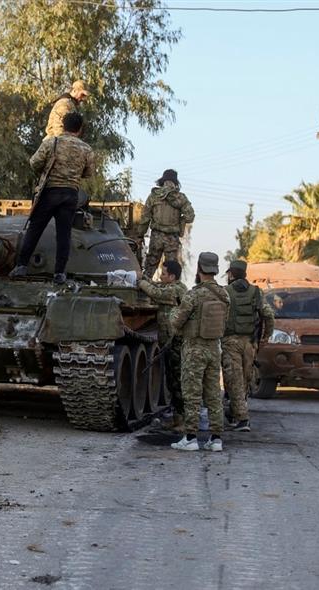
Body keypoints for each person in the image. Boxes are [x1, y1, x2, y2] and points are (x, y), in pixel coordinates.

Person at [9, 112, 95, 284]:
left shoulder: (52, 142)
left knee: (35, 229)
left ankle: (21, 266)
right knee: (64, 234)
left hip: (49, 191)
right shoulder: (86, 149)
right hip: (71, 194)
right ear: (79, 129)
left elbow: (34, 163)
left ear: (63, 125)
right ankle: (59, 273)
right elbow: (89, 173)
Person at [169, 252, 230, 452]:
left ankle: (191, 437)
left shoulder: (194, 294)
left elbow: (176, 321)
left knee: (192, 394)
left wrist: (172, 313)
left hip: (194, 349)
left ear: (199, 268)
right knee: (213, 394)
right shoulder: (224, 295)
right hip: (214, 348)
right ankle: (216, 438)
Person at [221, 260, 275, 432]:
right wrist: (265, 337)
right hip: (250, 343)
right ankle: (236, 414)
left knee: (234, 380)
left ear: (231, 274)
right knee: (244, 379)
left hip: (230, 342)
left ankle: (242, 419)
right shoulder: (256, 292)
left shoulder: (225, 292)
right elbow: (268, 315)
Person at [137, 260, 188, 431]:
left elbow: (155, 293)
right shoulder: (169, 286)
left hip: (176, 343)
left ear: (172, 276)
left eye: (164, 273)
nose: (161, 276)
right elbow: (156, 285)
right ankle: (177, 417)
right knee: (171, 382)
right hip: (168, 342)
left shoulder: (177, 290)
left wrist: (140, 282)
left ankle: (184, 420)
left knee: (178, 382)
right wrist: (142, 277)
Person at [135, 169, 195, 279]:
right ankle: (170, 293)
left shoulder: (153, 196)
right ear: (176, 182)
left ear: (162, 181)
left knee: (149, 268)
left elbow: (145, 218)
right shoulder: (180, 198)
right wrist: (180, 221)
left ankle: (143, 291)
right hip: (172, 238)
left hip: (156, 237)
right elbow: (190, 216)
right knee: (171, 270)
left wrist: (140, 235)